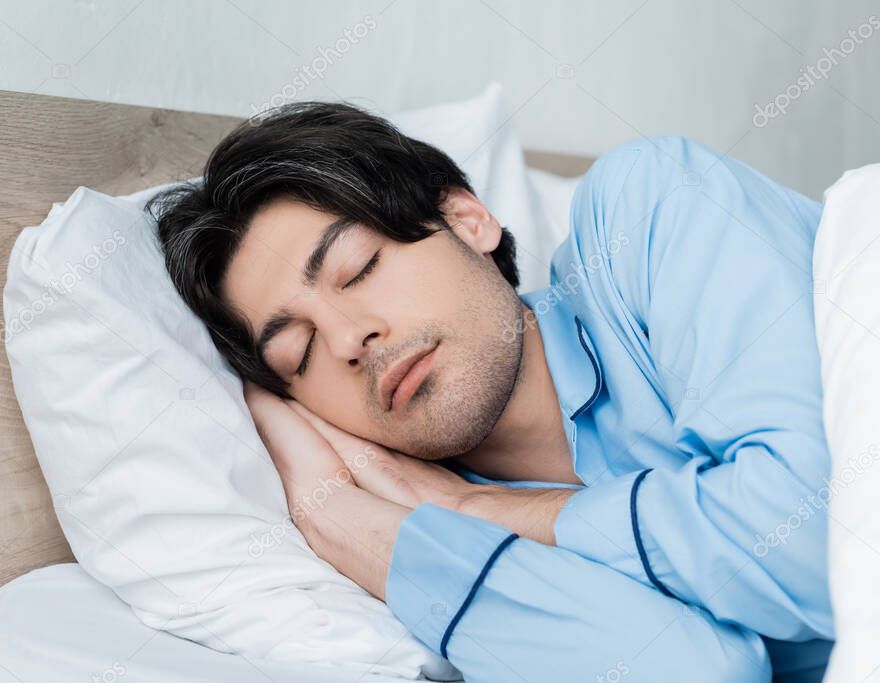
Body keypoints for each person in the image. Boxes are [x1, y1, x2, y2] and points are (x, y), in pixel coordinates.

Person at [148, 101, 834, 682]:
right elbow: (693, 673)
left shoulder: (645, 211)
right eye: (298, 353)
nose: (349, 340)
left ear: (467, 219)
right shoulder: (450, 536)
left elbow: (833, 538)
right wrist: (342, 520)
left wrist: (475, 504)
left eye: (358, 268)